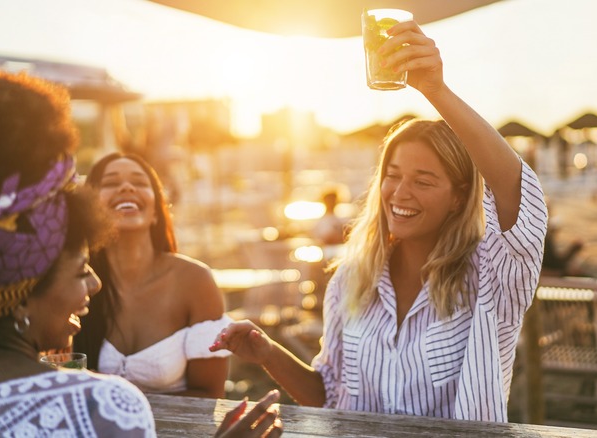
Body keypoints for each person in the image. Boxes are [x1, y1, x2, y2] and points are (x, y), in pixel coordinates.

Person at [211, 19, 547, 422]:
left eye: (423, 181)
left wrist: (435, 90)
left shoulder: (489, 278)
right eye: (393, 175)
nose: (400, 193)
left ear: (459, 197)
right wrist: (267, 353)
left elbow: (518, 193)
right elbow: (330, 395)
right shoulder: (351, 280)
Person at [0, 68, 282, 437]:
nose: (94, 284)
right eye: (80, 269)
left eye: (139, 181)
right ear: (19, 298)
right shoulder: (103, 408)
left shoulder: (192, 279)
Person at [73, 152, 231, 398]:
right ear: (91, 209)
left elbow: (211, 394)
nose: (126, 187)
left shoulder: (195, 280)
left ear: (156, 210)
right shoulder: (76, 282)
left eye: (139, 182)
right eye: (111, 183)